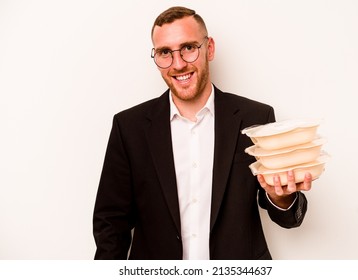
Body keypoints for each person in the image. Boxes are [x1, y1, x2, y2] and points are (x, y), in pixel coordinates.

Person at [93, 6, 312, 260]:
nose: (177, 64)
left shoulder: (256, 118)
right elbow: (110, 223)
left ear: (209, 49)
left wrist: (280, 197)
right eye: (165, 52)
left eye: (188, 48)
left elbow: (286, 216)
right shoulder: (129, 127)